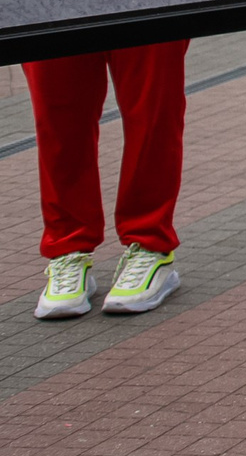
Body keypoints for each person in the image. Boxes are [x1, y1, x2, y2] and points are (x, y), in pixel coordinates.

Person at [28, 41, 188, 320]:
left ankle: (151, 245)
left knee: (152, 110)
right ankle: (68, 247)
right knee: (57, 114)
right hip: (49, 0)